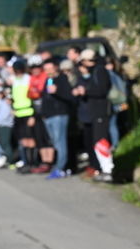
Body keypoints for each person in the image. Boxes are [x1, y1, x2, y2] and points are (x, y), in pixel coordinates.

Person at [73, 49, 114, 182]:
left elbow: (102, 90)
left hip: (101, 111)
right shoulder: (95, 71)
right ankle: (103, 169)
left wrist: (86, 91)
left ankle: (108, 170)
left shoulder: (100, 71)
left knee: (101, 142)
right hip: (96, 113)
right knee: (97, 142)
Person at [40, 58, 73, 179]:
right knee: (55, 142)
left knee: (60, 142)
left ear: (56, 68)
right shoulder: (48, 80)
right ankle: (59, 166)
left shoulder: (62, 79)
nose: (48, 71)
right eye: (46, 69)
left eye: (50, 68)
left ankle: (60, 168)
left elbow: (70, 96)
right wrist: (43, 114)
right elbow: (45, 98)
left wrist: (57, 91)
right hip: (48, 116)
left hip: (59, 115)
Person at [10, 59, 37, 172]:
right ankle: (26, 162)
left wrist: (33, 115)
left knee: (31, 139)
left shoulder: (28, 79)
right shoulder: (14, 80)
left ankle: (33, 163)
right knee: (23, 140)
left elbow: (33, 97)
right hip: (18, 113)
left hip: (28, 112)